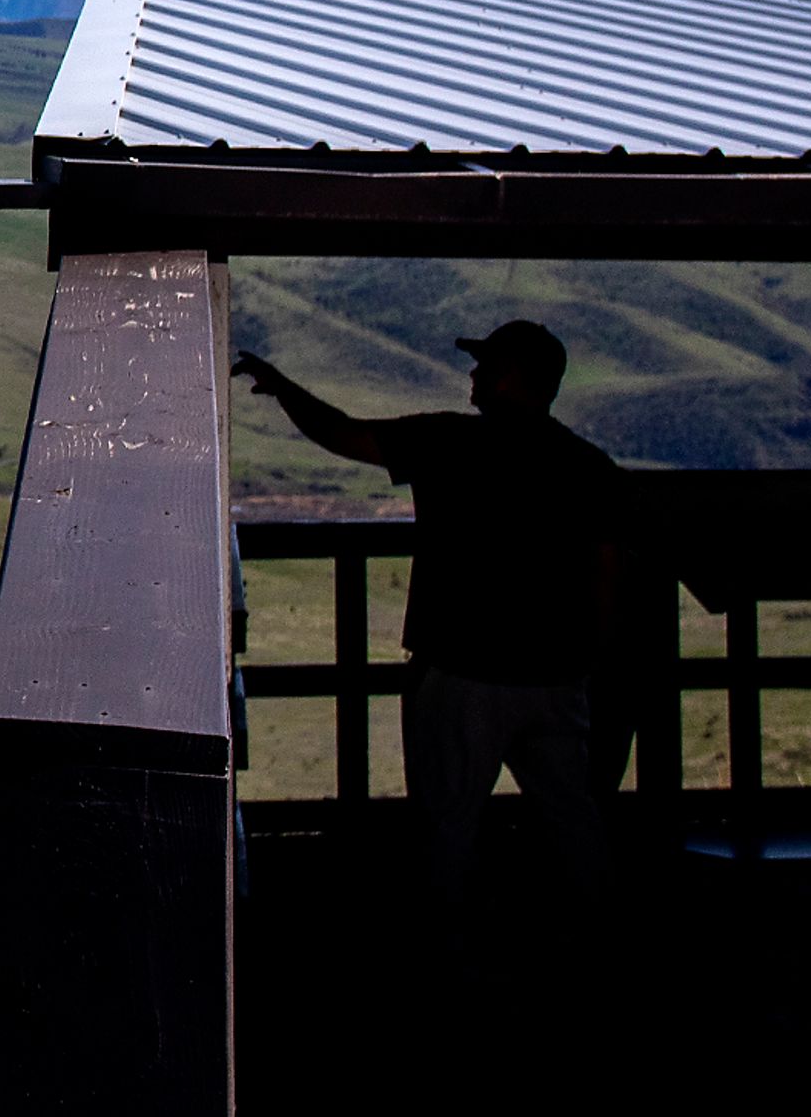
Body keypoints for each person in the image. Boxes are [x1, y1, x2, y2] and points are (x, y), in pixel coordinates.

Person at [232, 319, 620, 904]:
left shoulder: (451, 443)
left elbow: (344, 434)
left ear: (512, 378)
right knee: (572, 816)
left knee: (448, 822)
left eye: (486, 366)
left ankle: (446, 954)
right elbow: (605, 575)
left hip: (464, 674)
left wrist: (285, 388)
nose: (474, 375)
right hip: (556, 677)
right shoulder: (588, 465)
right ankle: (600, 943)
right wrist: (589, 661)